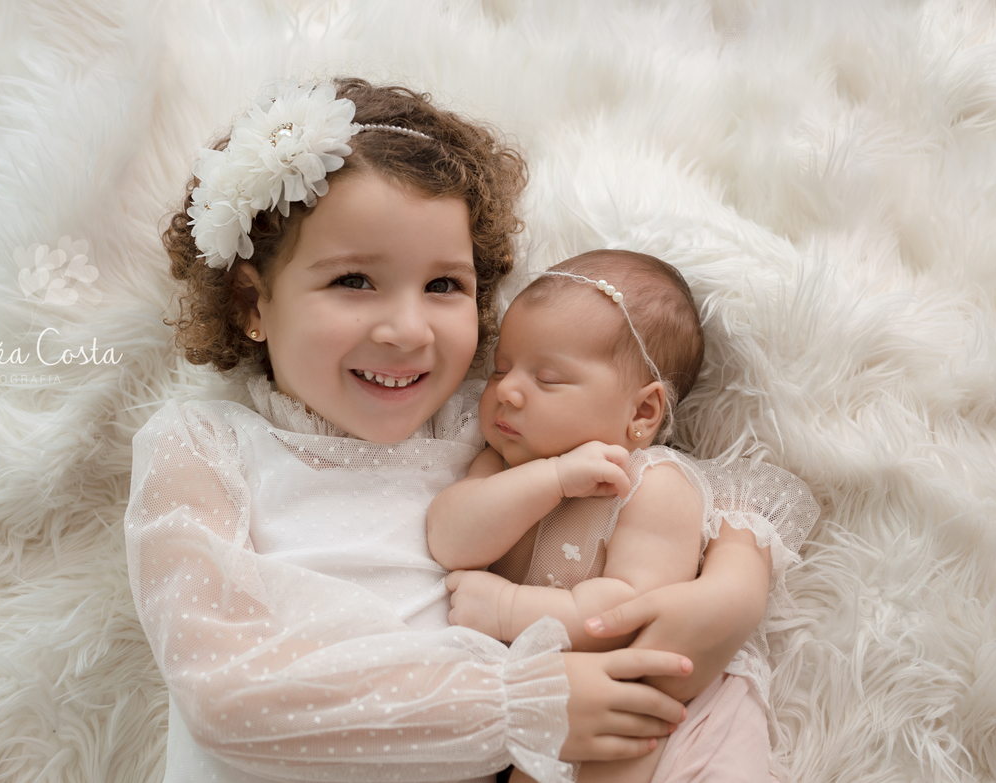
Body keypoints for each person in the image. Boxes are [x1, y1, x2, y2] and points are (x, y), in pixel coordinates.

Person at [124, 77, 779, 783]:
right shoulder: (204, 446)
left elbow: (677, 484)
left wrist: (734, 588)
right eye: (353, 280)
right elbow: (223, 696)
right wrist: (520, 705)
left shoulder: (486, 420)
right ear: (253, 302)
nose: (408, 331)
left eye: (444, 286)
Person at [428, 250, 819, 782]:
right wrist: (552, 478)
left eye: (548, 378)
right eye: (501, 368)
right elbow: (449, 539)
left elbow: (631, 615)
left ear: (642, 412)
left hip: (664, 715)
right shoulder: (502, 463)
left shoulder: (653, 486)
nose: (507, 391)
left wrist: (509, 608)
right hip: (541, 704)